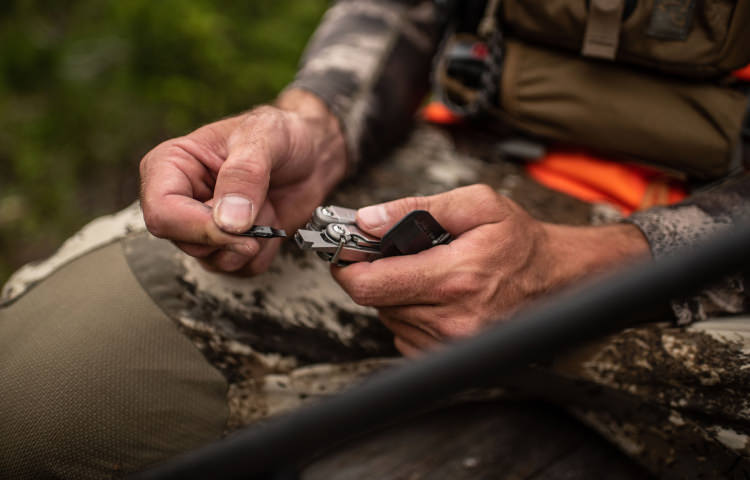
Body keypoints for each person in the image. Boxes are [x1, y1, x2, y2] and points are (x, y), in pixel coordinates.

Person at [1, 0, 749, 478]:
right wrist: (319, 122)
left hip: (720, 266)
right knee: (39, 392)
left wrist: (606, 265)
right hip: (466, 170)